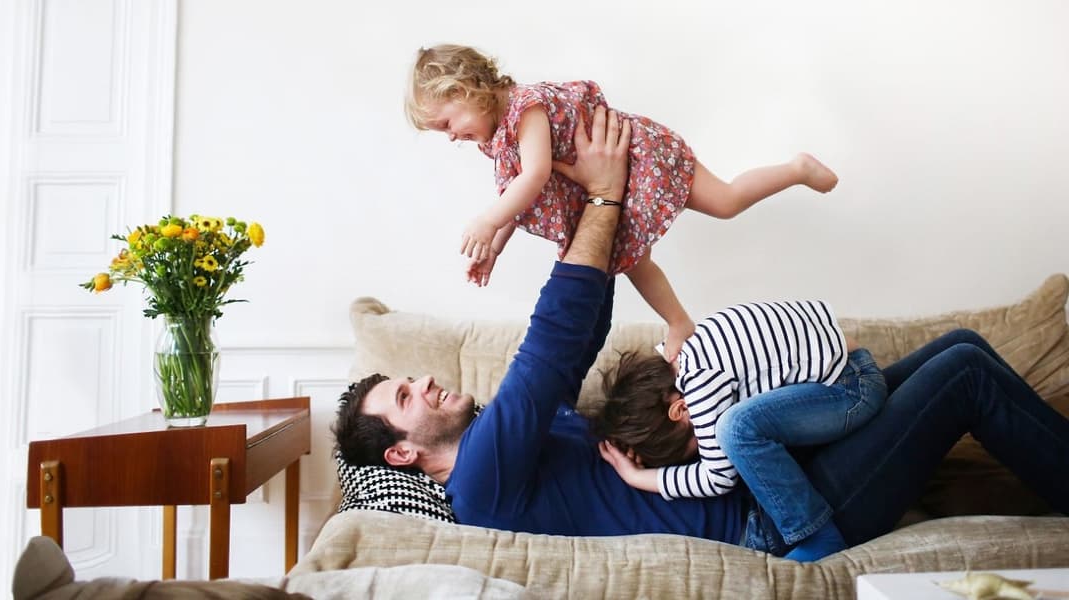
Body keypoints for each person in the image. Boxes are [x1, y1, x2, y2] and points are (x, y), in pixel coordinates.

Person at [333, 106, 1069, 557]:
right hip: (776, 514)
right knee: (964, 377)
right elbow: (550, 342)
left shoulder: (511, 439)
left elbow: (581, 328)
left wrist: (578, 211)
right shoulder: (482, 478)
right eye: (404, 395)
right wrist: (605, 190)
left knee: (959, 352)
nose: (424, 382)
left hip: (779, 465)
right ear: (402, 451)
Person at [405, 44, 840, 359]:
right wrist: (493, 249)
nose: (452, 137)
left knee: (724, 201)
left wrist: (485, 221)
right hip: (610, 184)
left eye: (448, 123)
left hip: (637, 158)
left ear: (466, 89)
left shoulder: (526, 108)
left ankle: (797, 169)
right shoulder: (499, 137)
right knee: (632, 260)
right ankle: (679, 322)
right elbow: (514, 195)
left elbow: (534, 176)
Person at [590, 300, 887, 562]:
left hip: (850, 390)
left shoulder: (699, 385)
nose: (702, 449)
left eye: (691, 446)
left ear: (679, 411)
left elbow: (717, 477)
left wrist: (638, 477)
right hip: (847, 370)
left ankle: (815, 536)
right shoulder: (681, 353)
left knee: (733, 430)